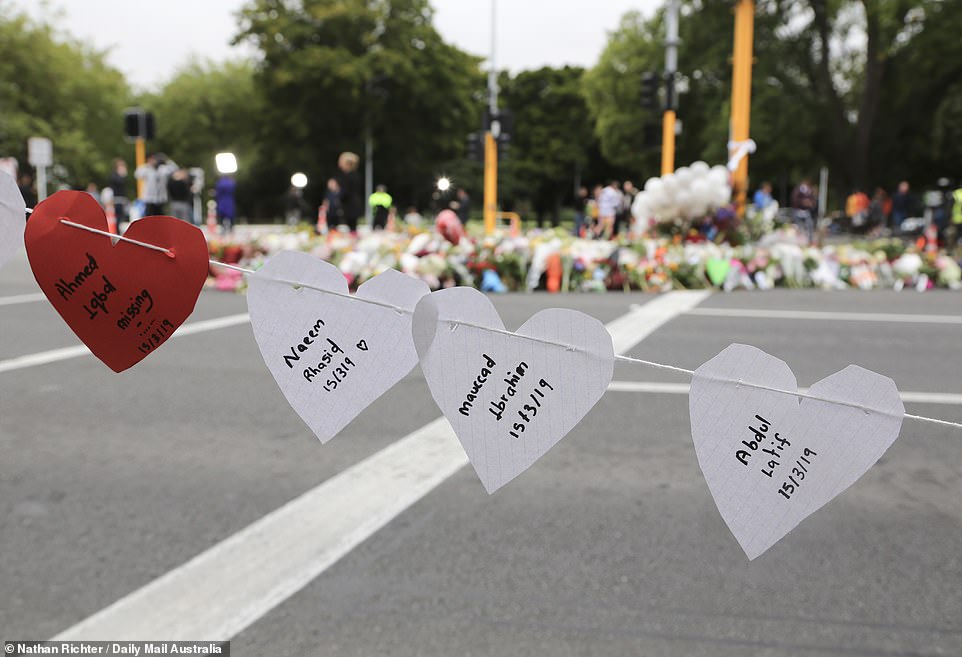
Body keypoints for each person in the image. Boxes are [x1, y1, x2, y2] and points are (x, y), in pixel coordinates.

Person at [335, 152, 362, 232]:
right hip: (353, 205)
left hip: (350, 206)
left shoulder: (348, 176)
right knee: (352, 227)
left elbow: (345, 192)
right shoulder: (355, 175)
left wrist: (338, 197)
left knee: (351, 228)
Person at [107, 159, 129, 224]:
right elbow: (118, 183)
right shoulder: (114, 175)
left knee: (122, 216)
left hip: (122, 198)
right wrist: (122, 175)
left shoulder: (120, 176)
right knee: (118, 216)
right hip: (117, 198)